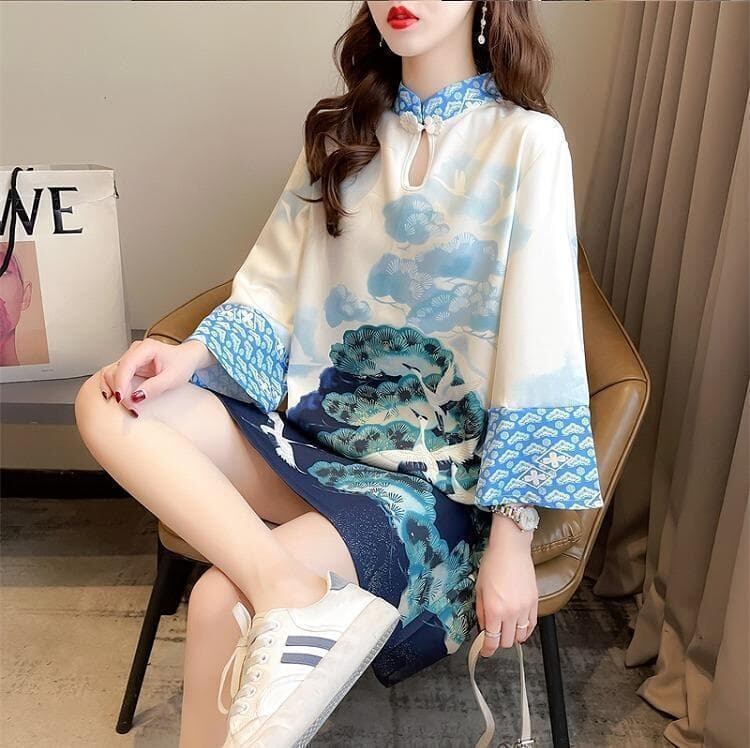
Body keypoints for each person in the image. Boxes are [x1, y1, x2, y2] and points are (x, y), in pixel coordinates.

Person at [74, 2, 604, 746]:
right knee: (107, 399)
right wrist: (189, 358)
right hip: (310, 438)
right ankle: (287, 589)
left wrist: (513, 537)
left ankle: (277, 592)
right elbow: (271, 286)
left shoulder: (528, 144)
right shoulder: (339, 134)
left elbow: (539, 345)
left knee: (219, 601)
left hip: (434, 485)